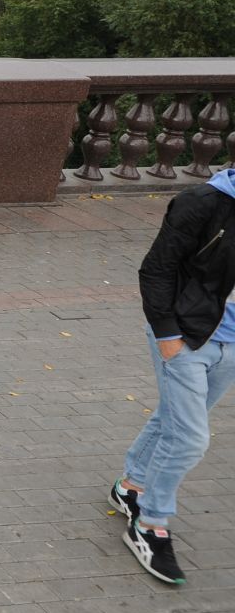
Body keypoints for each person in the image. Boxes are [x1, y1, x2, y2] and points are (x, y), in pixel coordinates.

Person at [110, 169, 235, 586]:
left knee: (176, 419)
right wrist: (168, 336)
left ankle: (131, 485)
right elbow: (156, 269)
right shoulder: (202, 202)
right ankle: (150, 523)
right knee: (190, 437)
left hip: (232, 346)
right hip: (186, 336)